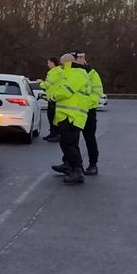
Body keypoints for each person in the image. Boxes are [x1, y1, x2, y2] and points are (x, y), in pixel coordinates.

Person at [48, 53, 94, 184]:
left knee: (68, 144)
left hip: (72, 116)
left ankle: (76, 171)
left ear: (66, 63)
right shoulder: (74, 73)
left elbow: (66, 90)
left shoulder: (77, 74)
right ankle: (74, 168)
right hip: (70, 115)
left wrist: (52, 96)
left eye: (61, 64)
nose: (60, 67)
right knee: (69, 144)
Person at [74, 51, 103, 176]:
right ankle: (73, 164)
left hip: (88, 111)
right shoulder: (72, 71)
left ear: (81, 58)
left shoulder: (91, 73)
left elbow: (97, 92)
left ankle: (93, 164)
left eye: (75, 58)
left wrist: (86, 104)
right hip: (74, 110)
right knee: (71, 139)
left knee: (89, 138)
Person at [40, 56, 62, 142]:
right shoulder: (60, 71)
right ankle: (53, 133)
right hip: (55, 98)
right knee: (53, 117)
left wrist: (40, 83)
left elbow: (47, 85)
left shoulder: (54, 72)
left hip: (53, 99)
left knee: (52, 117)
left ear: (53, 63)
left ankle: (55, 134)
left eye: (48, 63)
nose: (47, 64)